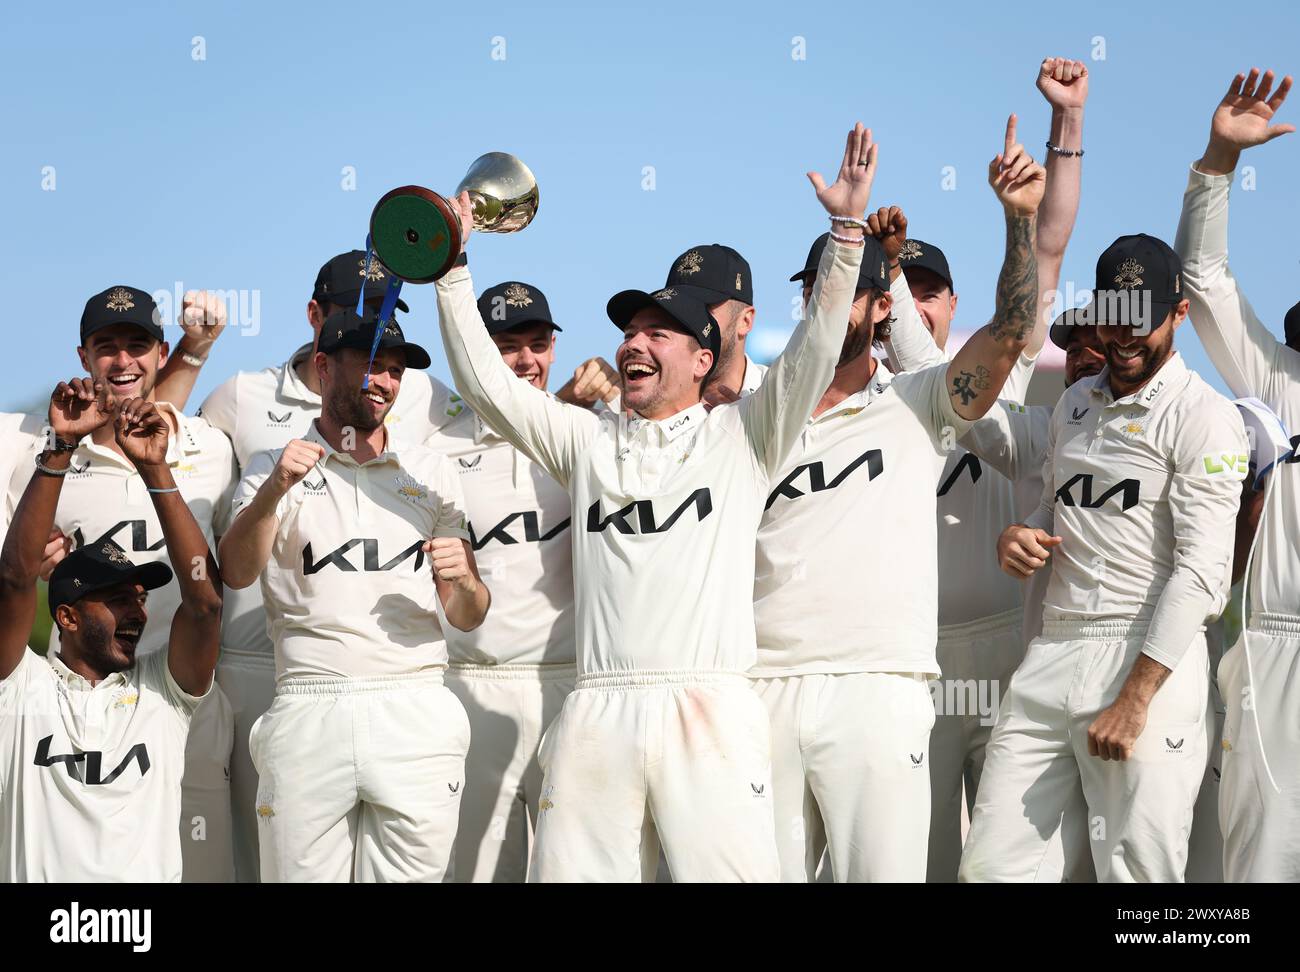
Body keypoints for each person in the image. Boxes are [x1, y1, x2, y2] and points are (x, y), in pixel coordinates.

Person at [435, 123, 882, 882]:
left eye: (660, 332)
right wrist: (452, 270)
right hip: (595, 713)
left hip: (708, 711)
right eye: (631, 329)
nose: (635, 342)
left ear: (704, 359)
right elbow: (487, 385)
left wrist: (844, 237)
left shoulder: (743, 438)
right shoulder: (586, 442)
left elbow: (810, 352)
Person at [751, 113, 1048, 882]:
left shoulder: (920, 402)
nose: (831, 300)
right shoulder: (755, 417)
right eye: (820, 287)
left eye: (848, 289)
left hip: (879, 690)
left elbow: (1012, 330)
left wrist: (1019, 225)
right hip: (763, 689)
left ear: (884, 307)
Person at [961, 233, 1249, 882]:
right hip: (1051, 655)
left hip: (1143, 654)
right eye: (1111, 322)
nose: (1121, 342)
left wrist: (1137, 697)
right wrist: (1020, 537)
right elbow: (1054, 514)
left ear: (1178, 314)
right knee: (989, 867)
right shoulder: (1072, 404)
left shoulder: (1205, 416)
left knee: (1137, 877)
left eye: (1139, 325)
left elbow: (1202, 572)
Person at [189, 250, 463, 882]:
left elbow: (497, 415)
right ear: (318, 338)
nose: (382, 378)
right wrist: (193, 354)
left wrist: (463, 579)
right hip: (292, 684)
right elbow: (231, 569)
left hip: (414, 696)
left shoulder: (430, 442)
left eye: (392, 363)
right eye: (367, 358)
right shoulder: (245, 405)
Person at [890, 57, 1089, 882]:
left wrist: (1068, 125)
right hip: (912, 656)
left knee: (1018, 862)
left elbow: (1046, 250)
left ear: (957, 306)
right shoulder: (879, 397)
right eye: (906, 289)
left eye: (933, 289)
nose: (919, 302)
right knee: (923, 861)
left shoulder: (1000, 377)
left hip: (1012, 646)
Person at [5, 286, 238, 883]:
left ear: (163, 353)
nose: (122, 360)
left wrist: (199, 348)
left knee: (194, 864)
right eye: (105, 347)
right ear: (82, 356)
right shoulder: (33, 445)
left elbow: (213, 593)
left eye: (138, 346)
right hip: (70, 701)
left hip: (178, 693)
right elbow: (9, 577)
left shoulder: (208, 446)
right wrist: (37, 561)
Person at [425, 280, 611, 882]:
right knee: (480, 873)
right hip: (473, 687)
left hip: (572, 685)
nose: (526, 361)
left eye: (539, 343)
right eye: (507, 346)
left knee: (577, 868)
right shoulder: (436, 453)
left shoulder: (591, 435)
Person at [1175, 67, 1300, 882]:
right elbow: (1202, 279)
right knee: (1261, 871)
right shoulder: (1279, 378)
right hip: (1276, 658)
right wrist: (1220, 159)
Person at [663, 244, 765, 397]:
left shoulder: (781, 397)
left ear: (745, 321)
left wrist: (750, 420)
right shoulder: (639, 399)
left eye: (703, 309)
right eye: (676, 311)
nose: (687, 321)